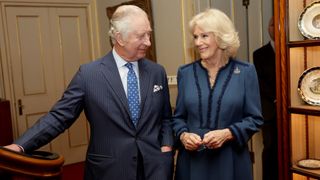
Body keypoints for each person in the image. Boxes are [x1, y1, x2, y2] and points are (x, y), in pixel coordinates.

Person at [5, 5, 174, 180]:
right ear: (119, 38)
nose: (148, 42)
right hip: (109, 170)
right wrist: (20, 146)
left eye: (149, 34)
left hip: (155, 168)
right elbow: (59, 117)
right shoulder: (89, 75)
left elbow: (166, 119)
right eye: (141, 36)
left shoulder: (157, 72)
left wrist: (166, 148)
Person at [172, 8, 264, 180]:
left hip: (231, 162)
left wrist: (227, 133)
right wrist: (184, 135)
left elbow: (255, 118)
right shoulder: (185, 73)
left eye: (204, 36)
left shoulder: (245, 72)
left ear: (221, 37)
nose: (198, 42)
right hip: (192, 164)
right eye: (195, 37)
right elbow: (178, 118)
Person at [253, 17, 278, 180]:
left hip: (293, 111)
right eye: (271, 25)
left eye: (277, 25)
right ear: (268, 28)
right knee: (270, 149)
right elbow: (260, 82)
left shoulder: (294, 50)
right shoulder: (259, 54)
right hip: (269, 111)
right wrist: (277, 98)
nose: (274, 28)